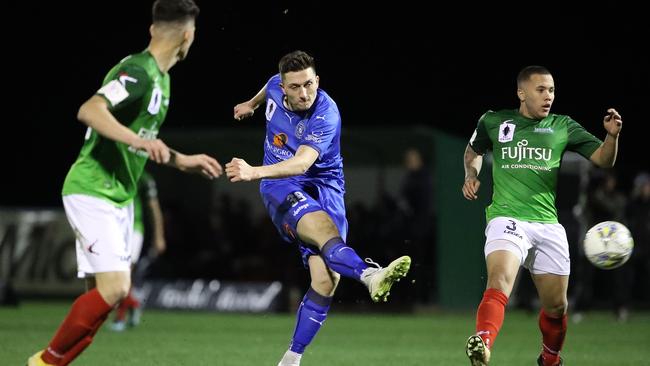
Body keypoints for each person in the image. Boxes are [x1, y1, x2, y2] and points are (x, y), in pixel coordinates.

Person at [28, 1, 223, 365]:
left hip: (119, 197)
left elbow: (145, 139)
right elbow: (90, 109)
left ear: (153, 29)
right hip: (92, 188)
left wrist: (183, 161)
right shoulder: (138, 72)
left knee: (101, 305)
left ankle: (50, 362)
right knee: (117, 287)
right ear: (188, 36)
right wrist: (138, 141)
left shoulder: (163, 82)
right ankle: (43, 363)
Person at [227, 50, 411, 366]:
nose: (304, 93)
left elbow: (302, 162)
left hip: (325, 186)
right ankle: (370, 275)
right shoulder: (274, 84)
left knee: (326, 281)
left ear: (318, 81)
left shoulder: (326, 114)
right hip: (280, 185)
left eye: (309, 84)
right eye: (295, 87)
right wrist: (251, 104)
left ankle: (290, 360)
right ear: (283, 87)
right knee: (324, 233)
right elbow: (266, 89)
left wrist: (251, 170)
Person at [461, 65, 622, 366]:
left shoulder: (563, 126)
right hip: (506, 217)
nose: (548, 96)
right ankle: (482, 341)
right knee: (499, 281)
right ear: (522, 92)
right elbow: (473, 152)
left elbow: (603, 159)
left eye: (551, 91)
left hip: (547, 224)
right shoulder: (493, 121)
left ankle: (550, 358)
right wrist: (471, 174)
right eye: (541, 90)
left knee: (557, 308)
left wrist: (611, 137)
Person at [109, 170, 166, 331]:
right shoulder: (113, 173)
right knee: (114, 276)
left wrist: (159, 235)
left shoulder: (144, 178)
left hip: (134, 229)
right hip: (114, 227)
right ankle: (133, 304)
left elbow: (154, 208)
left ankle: (119, 319)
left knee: (123, 275)